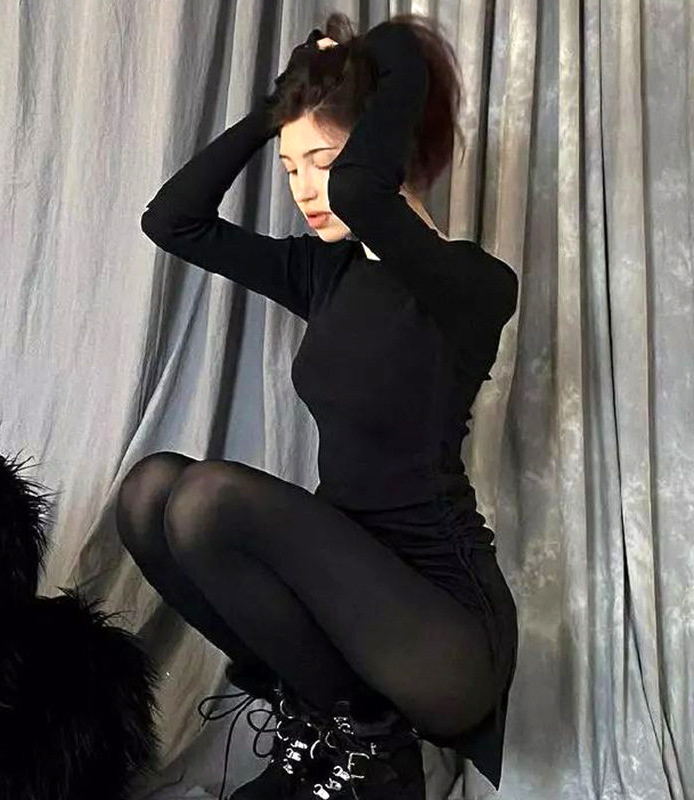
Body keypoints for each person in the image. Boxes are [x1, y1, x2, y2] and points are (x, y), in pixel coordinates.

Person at [117, 13, 519, 800]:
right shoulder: (325, 274)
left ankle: (373, 751)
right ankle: (330, 729)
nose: (307, 190)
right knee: (149, 492)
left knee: (207, 501)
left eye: (324, 162)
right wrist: (274, 111)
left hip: (441, 631)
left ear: (382, 149)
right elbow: (172, 222)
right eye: (290, 167)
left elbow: (365, 192)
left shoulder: (472, 286)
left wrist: (372, 58)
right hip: (342, 594)